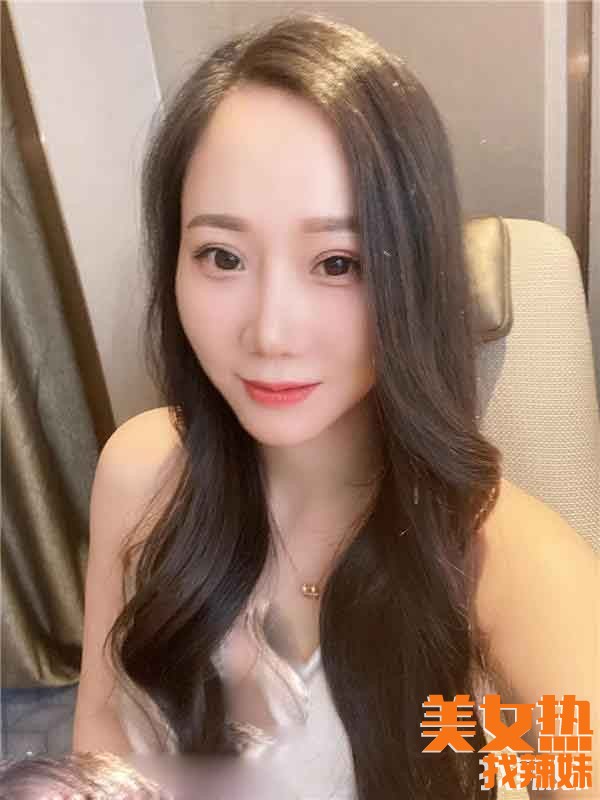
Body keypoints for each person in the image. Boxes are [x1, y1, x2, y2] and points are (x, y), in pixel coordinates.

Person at [72, 11, 598, 800]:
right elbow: (101, 731)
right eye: (222, 256)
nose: (271, 332)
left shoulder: (507, 567)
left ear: (414, 274)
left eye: (338, 262)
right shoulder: (141, 472)